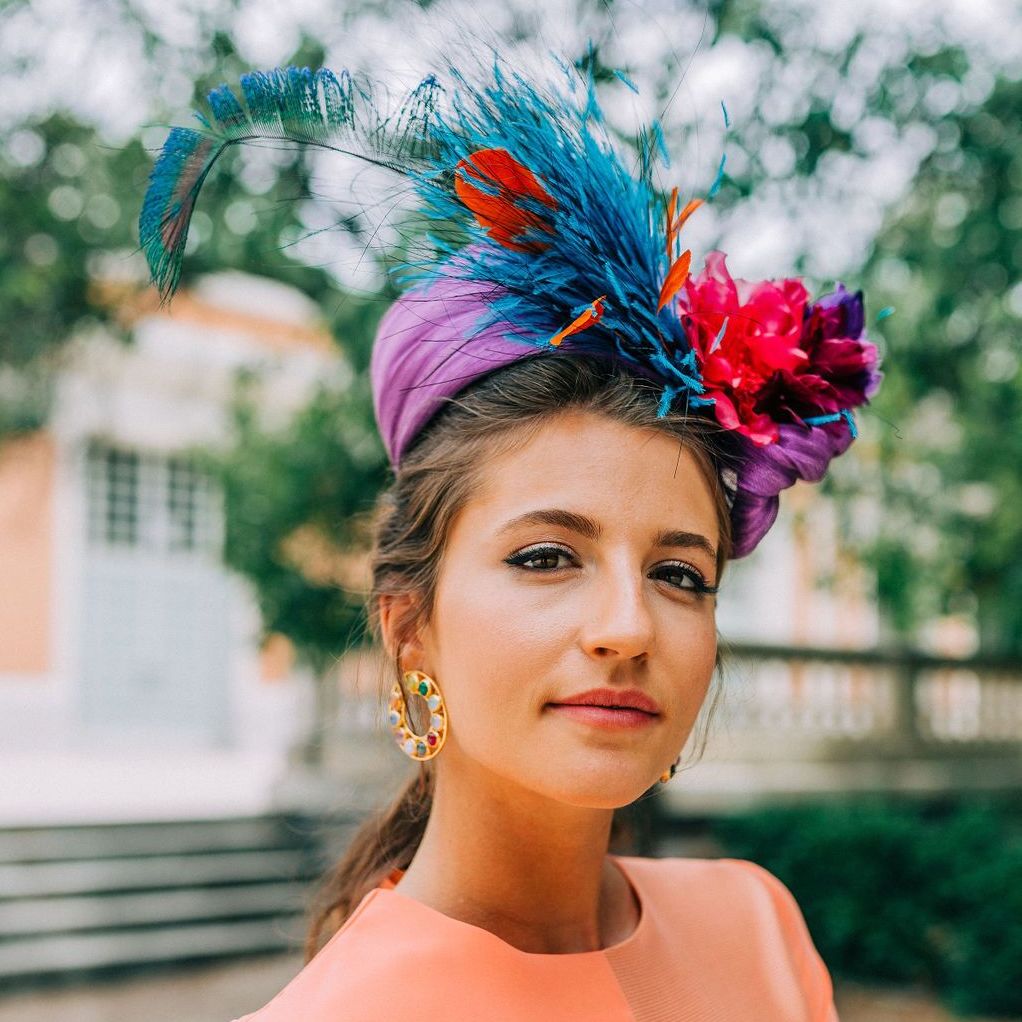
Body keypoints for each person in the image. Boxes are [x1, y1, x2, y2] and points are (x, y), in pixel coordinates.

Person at [141, 53, 880, 1022]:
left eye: (678, 572)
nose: (628, 626)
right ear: (409, 625)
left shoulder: (756, 923)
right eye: (544, 555)